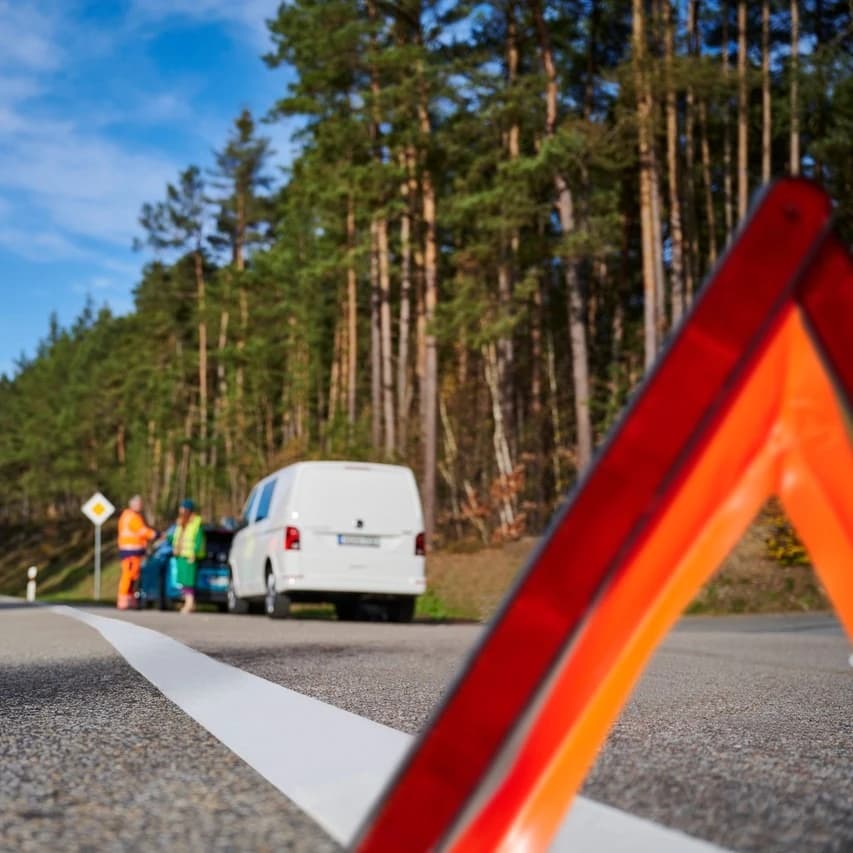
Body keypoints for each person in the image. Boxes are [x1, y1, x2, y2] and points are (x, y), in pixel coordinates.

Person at [117, 495, 157, 610]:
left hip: (133, 551)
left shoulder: (129, 516)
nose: (141, 506)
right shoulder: (132, 517)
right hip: (130, 551)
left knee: (133, 576)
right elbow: (142, 531)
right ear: (133, 504)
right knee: (128, 576)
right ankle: (123, 600)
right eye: (139, 504)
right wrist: (156, 534)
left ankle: (129, 599)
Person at [170, 499, 205, 614]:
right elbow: (177, 537)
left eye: (182, 508)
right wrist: (169, 539)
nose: (180, 510)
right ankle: (189, 603)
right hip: (181, 555)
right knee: (183, 581)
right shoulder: (181, 523)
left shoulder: (196, 523)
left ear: (188, 510)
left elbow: (199, 540)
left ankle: (189, 604)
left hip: (190, 557)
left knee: (189, 582)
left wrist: (194, 553)